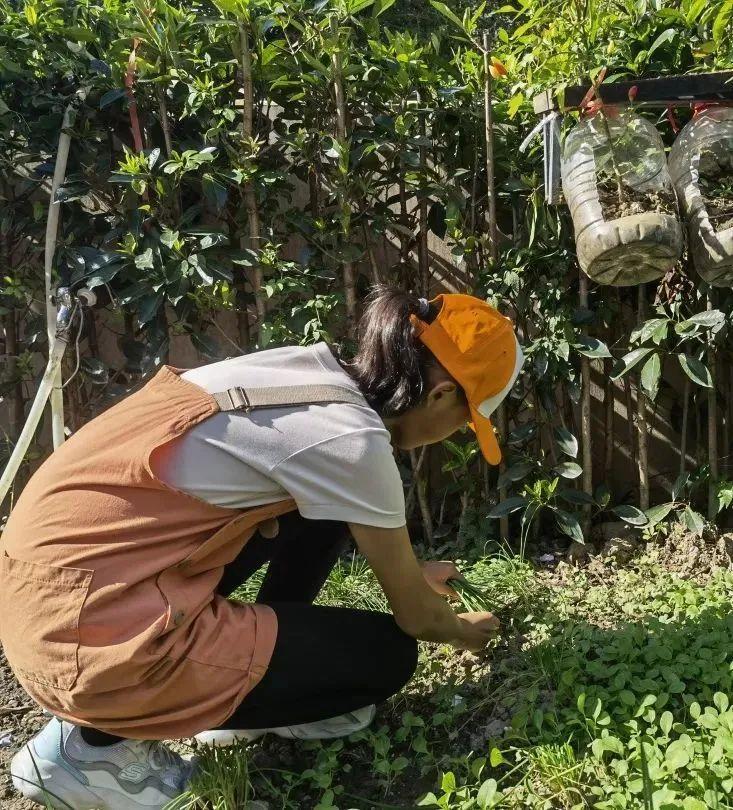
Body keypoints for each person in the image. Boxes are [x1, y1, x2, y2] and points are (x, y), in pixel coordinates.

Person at [2, 287, 524, 809]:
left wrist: (413, 571)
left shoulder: (301, 375)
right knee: (387, 656)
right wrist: (461, 631)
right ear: (441, 396)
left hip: (49, 596)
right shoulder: (355, 443)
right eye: (466, 421)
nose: (455, 434)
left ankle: (248, 691)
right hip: (91, 642)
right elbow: (419, 620)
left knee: (317, 512)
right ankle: (88, 755)